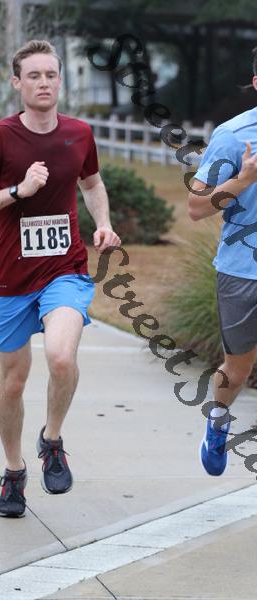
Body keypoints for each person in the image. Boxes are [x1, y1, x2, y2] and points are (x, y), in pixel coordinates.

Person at [0, 39, 121, 517]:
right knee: (13, 381)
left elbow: (92, 183)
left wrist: (103, 223)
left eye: (51, 75)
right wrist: (18, 190)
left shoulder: (79, 134)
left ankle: (52, 440)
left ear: (60, 81)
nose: (44, 83)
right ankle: (13, 472)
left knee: (61, 357)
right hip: (11, 278)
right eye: (34, 75)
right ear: (17, 83)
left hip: (64, 269)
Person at [188, 47, 257, 477]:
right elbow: (197, 207)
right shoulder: (233, 135)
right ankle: (217, 420)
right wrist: (244, 179)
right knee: (238, 368)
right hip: (242, 272)